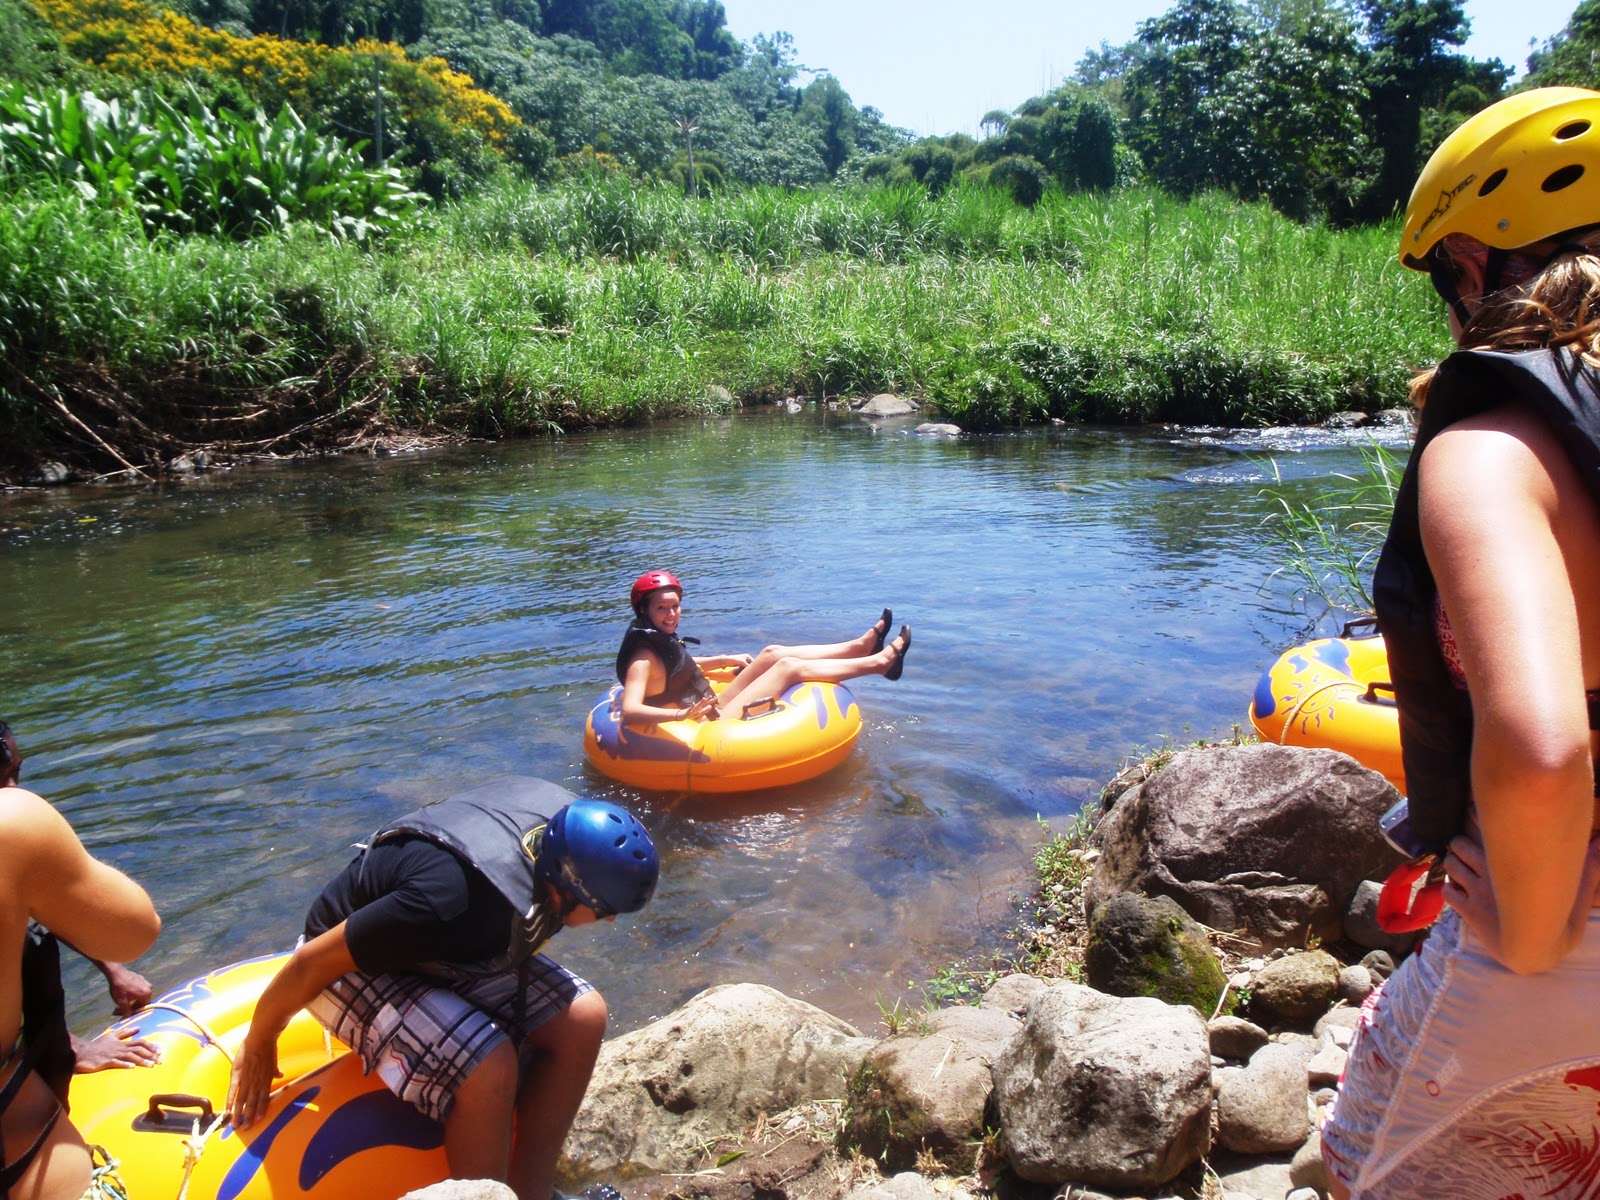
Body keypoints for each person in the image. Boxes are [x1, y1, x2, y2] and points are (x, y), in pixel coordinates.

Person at [1320, 87, 1600, 1198]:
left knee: (1363, 1173)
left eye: (1443, 279)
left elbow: (1537, 751)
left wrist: (1524, 948)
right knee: (1349, 1147)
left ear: (1477, 262)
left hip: (1559, 925)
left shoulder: (1489, 446)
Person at [225, 776, 658, 1200]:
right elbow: (310, 961)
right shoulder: (447, 902)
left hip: (443, 946)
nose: (612, 921)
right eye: (605, 910)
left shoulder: (562, 840)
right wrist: (260, 1039)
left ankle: (533, 1193)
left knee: (585, 1016)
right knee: (491, 1066)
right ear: (565, 890)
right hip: (349, 969)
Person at [1, 721, 162, 1199]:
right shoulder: (13, 821)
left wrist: (110, 971)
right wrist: (68, 1047)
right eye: (8, 771)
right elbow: (135, 929)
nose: (15, 788)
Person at [616, 570, 911, 726]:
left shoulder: (659, 639)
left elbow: (676, 668)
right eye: (661, 608)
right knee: (788, 667)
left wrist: (722, 658)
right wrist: (682, 717)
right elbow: (630, 710)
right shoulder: (642, 657)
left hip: (710, 706)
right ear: (645, 611)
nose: (671, 614)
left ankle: (860, 646)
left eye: (675, 606)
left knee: (772, 653)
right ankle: (880, 664)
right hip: (706, 723)